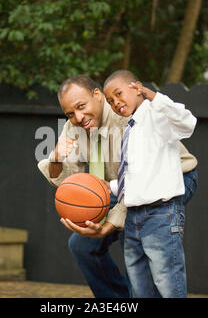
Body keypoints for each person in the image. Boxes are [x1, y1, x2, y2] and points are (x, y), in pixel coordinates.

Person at [37, 74, 198, 298]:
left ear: (98, 95)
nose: (78, 116)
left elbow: (139, 182)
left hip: (172, 178)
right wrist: (55, 159)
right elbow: (67, 183)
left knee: (134, 237)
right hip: (116, 187)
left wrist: (111, 224)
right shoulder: (76, 126)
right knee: (82, 245)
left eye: (81, 106)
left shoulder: (126, 115)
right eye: (70, 113)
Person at [103, 70, 197, 298]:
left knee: (167, 281)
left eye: (119, 94)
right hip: (134, 217)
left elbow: (188, 122)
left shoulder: (157, 115)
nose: (116, 103)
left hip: (160, 215)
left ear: (136, 88)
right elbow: (138, 174)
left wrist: (154, 96)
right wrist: (111, 187)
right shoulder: (132, 127)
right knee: (139, 285)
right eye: (110, 101)